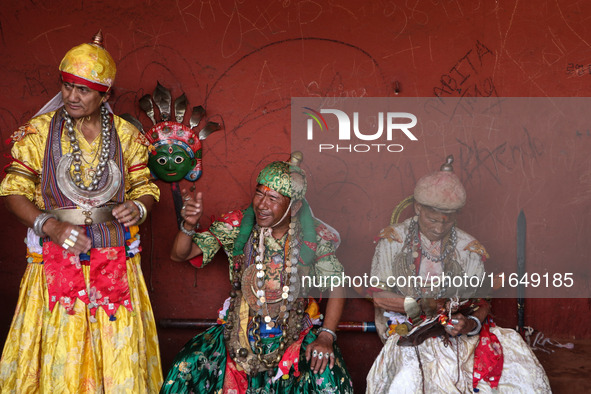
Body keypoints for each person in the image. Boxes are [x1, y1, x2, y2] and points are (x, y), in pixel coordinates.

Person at [0, 31, 163, 392]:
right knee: (61, 346)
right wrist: (49, 225)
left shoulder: (126, 135)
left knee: (117, 345)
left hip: (115, 260)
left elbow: (146, 187)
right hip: (54, 262)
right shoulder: (38, 132)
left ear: (105, 95)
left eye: (83, 90)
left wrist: (139, 207)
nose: (71, 96)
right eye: (67, 86)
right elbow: (13, 190)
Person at [160, 153, 353, 393]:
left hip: (294, 334)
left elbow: (337, 284)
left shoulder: (314, 237)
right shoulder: (238, 226)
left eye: (272, 198)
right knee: (185, 367)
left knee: (330, 380)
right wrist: (188, 226)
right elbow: (180, 255)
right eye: (259, 193)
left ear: (295, 206)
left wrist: (327, 336)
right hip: (237, 332)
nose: (262, 204)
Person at [366, 156, 550, 393]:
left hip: (459, 337)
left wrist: (468, 324)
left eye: (448, 221)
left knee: (518, 373)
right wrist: (426, 306)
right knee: (416, 377)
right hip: (407, 332)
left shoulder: (468, 247)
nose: (439, 228)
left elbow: (481, 303)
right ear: (418, 208)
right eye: (432, 219)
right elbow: (379, 296)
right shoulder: (393, 241)